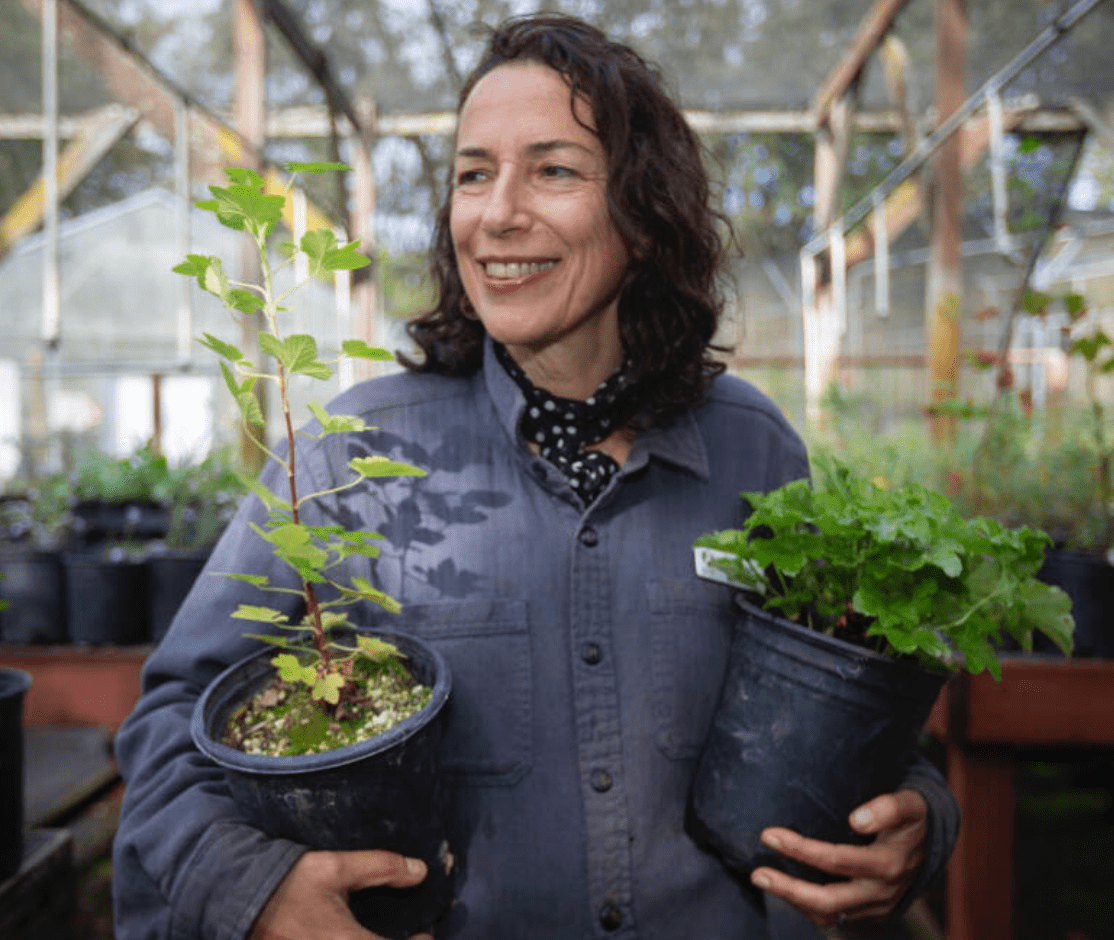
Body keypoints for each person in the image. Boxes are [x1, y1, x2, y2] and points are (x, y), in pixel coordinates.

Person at [113, 14, 958, 940]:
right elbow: (173, 721)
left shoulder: (752, 451)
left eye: (553, 169)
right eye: (474, 174)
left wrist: (918, 816)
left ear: (642, 213)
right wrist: (255, 888)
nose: (498, 212)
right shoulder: (352, 455)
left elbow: (840, 708)